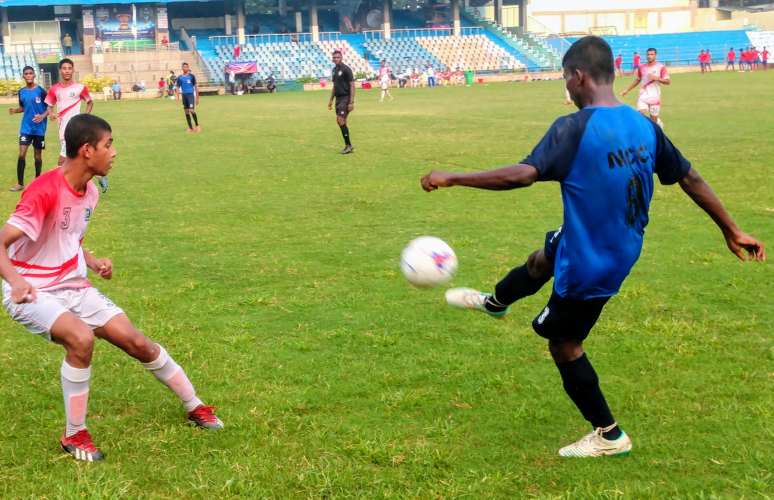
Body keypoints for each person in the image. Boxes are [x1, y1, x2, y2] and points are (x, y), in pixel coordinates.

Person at [423, 35, 766, 459]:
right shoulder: (645, 126)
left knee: (563, 344)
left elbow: (523, 175)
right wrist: (730, 229)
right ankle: (496, 302)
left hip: (594, 261)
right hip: (607, 239)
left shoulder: (573, 127)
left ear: (579, 76)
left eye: (566, 78)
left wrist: (453, 177)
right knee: (542, 257)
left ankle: (609, 434)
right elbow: (690, 177)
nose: (565, 86)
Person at [0, 114, 222, 463]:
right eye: (108, 145)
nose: (113, 153)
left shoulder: (91, 190)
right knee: (81, 338)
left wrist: (92, 261)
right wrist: (17, 281)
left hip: (75, 286)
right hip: (33, 290)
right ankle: (74, 435)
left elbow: (68, 239)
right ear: (86, 150)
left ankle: (195, 407)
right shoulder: (44, 190)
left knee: (138, 342)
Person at [38, 59, 99, 190]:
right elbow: (49, 105)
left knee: (62, 161)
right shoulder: (55, 89)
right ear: (60, 71)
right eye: (64, 68)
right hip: (62, 130)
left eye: (69, 68)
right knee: (75, 160)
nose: (67, 71)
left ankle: (58, 189)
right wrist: (51, 113)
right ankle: (97, 175)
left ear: (73, 70)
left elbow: (90, 102)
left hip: (75, 129)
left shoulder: (80, 88)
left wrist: (85, 117)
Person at [9, 66, 48, 192]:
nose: (29, 75)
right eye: (26, 73)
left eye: (31, 73)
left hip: (39, 128)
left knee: (37, 156)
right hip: (26, 127)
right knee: (21, 154)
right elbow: (24, 107)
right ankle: (20, 183)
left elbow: (50, 107)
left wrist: (42, 116)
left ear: (34, 76)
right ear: (23, 76)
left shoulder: (41, 91)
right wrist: (15, 110)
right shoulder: (22, 92)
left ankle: (38, 181)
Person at [621, 47, 668, 130]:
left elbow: (667, 81)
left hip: (655, 96)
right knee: (641, 115)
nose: (649, 56)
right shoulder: (641, 67)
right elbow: (638, 79)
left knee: (653, 122)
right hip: (643, 95)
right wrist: (627, 90)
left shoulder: (661, 67)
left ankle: (658, 122)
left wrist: (656, 78)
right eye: (648, 54)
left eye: (652, 54)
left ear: (656, 56)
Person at [327, 50, 355, 155]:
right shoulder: (334, 70)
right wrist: (331, 100)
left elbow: (352, 85)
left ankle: (348, 145)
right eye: (334, 58)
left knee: (340, 120)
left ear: (341, 58)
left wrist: (351, 101)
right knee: (343, 121)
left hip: (346, 97)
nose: (336, 59)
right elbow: (335, 86)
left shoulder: (346, 70)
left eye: (338, 57)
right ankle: (348, 147)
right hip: (338, 99)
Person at [177, 62, 200, 133]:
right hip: (184, 95)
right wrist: (177, 98)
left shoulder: (191, 76)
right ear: (182, 68)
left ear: (188, 68)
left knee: (191, 110)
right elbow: (177, 88)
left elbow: (196, 87)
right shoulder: (180, 78)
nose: (185, 68)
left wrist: (197, 98)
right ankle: (191, 128)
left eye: (186, 67)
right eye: (184, 67)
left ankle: (197, 125)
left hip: (190, 95)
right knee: (186, 111)